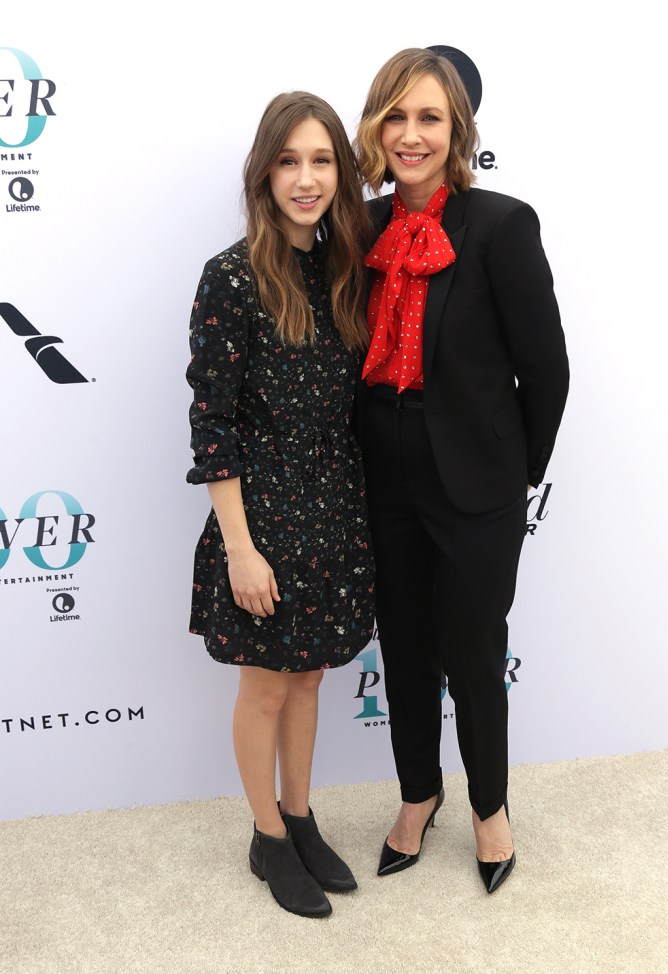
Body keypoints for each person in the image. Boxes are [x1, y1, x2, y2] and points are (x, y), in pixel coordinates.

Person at [353, 48, 569, 893]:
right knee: (403, 644)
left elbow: (545, 369)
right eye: (396, 116)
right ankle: (418, 795)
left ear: (458, 130)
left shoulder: (502, 224)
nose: (411, 135)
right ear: (377, 125)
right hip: (383, 467)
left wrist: (517, 473)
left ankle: (490, 809)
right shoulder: (362, 228)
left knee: (474, 650)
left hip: (477, 480)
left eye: (430, 118)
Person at [185, 91, 375, 918]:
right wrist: (240, 547)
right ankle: (266, 838)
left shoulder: (344, 271)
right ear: (263, 173)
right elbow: (212, 422)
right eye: (289, 161)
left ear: (342, 170)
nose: (306, 179)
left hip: (334, 511)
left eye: (322, 160)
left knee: (310, 683)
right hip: (260, 520)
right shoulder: (230, 277)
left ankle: (300, 817)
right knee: (265, 689)